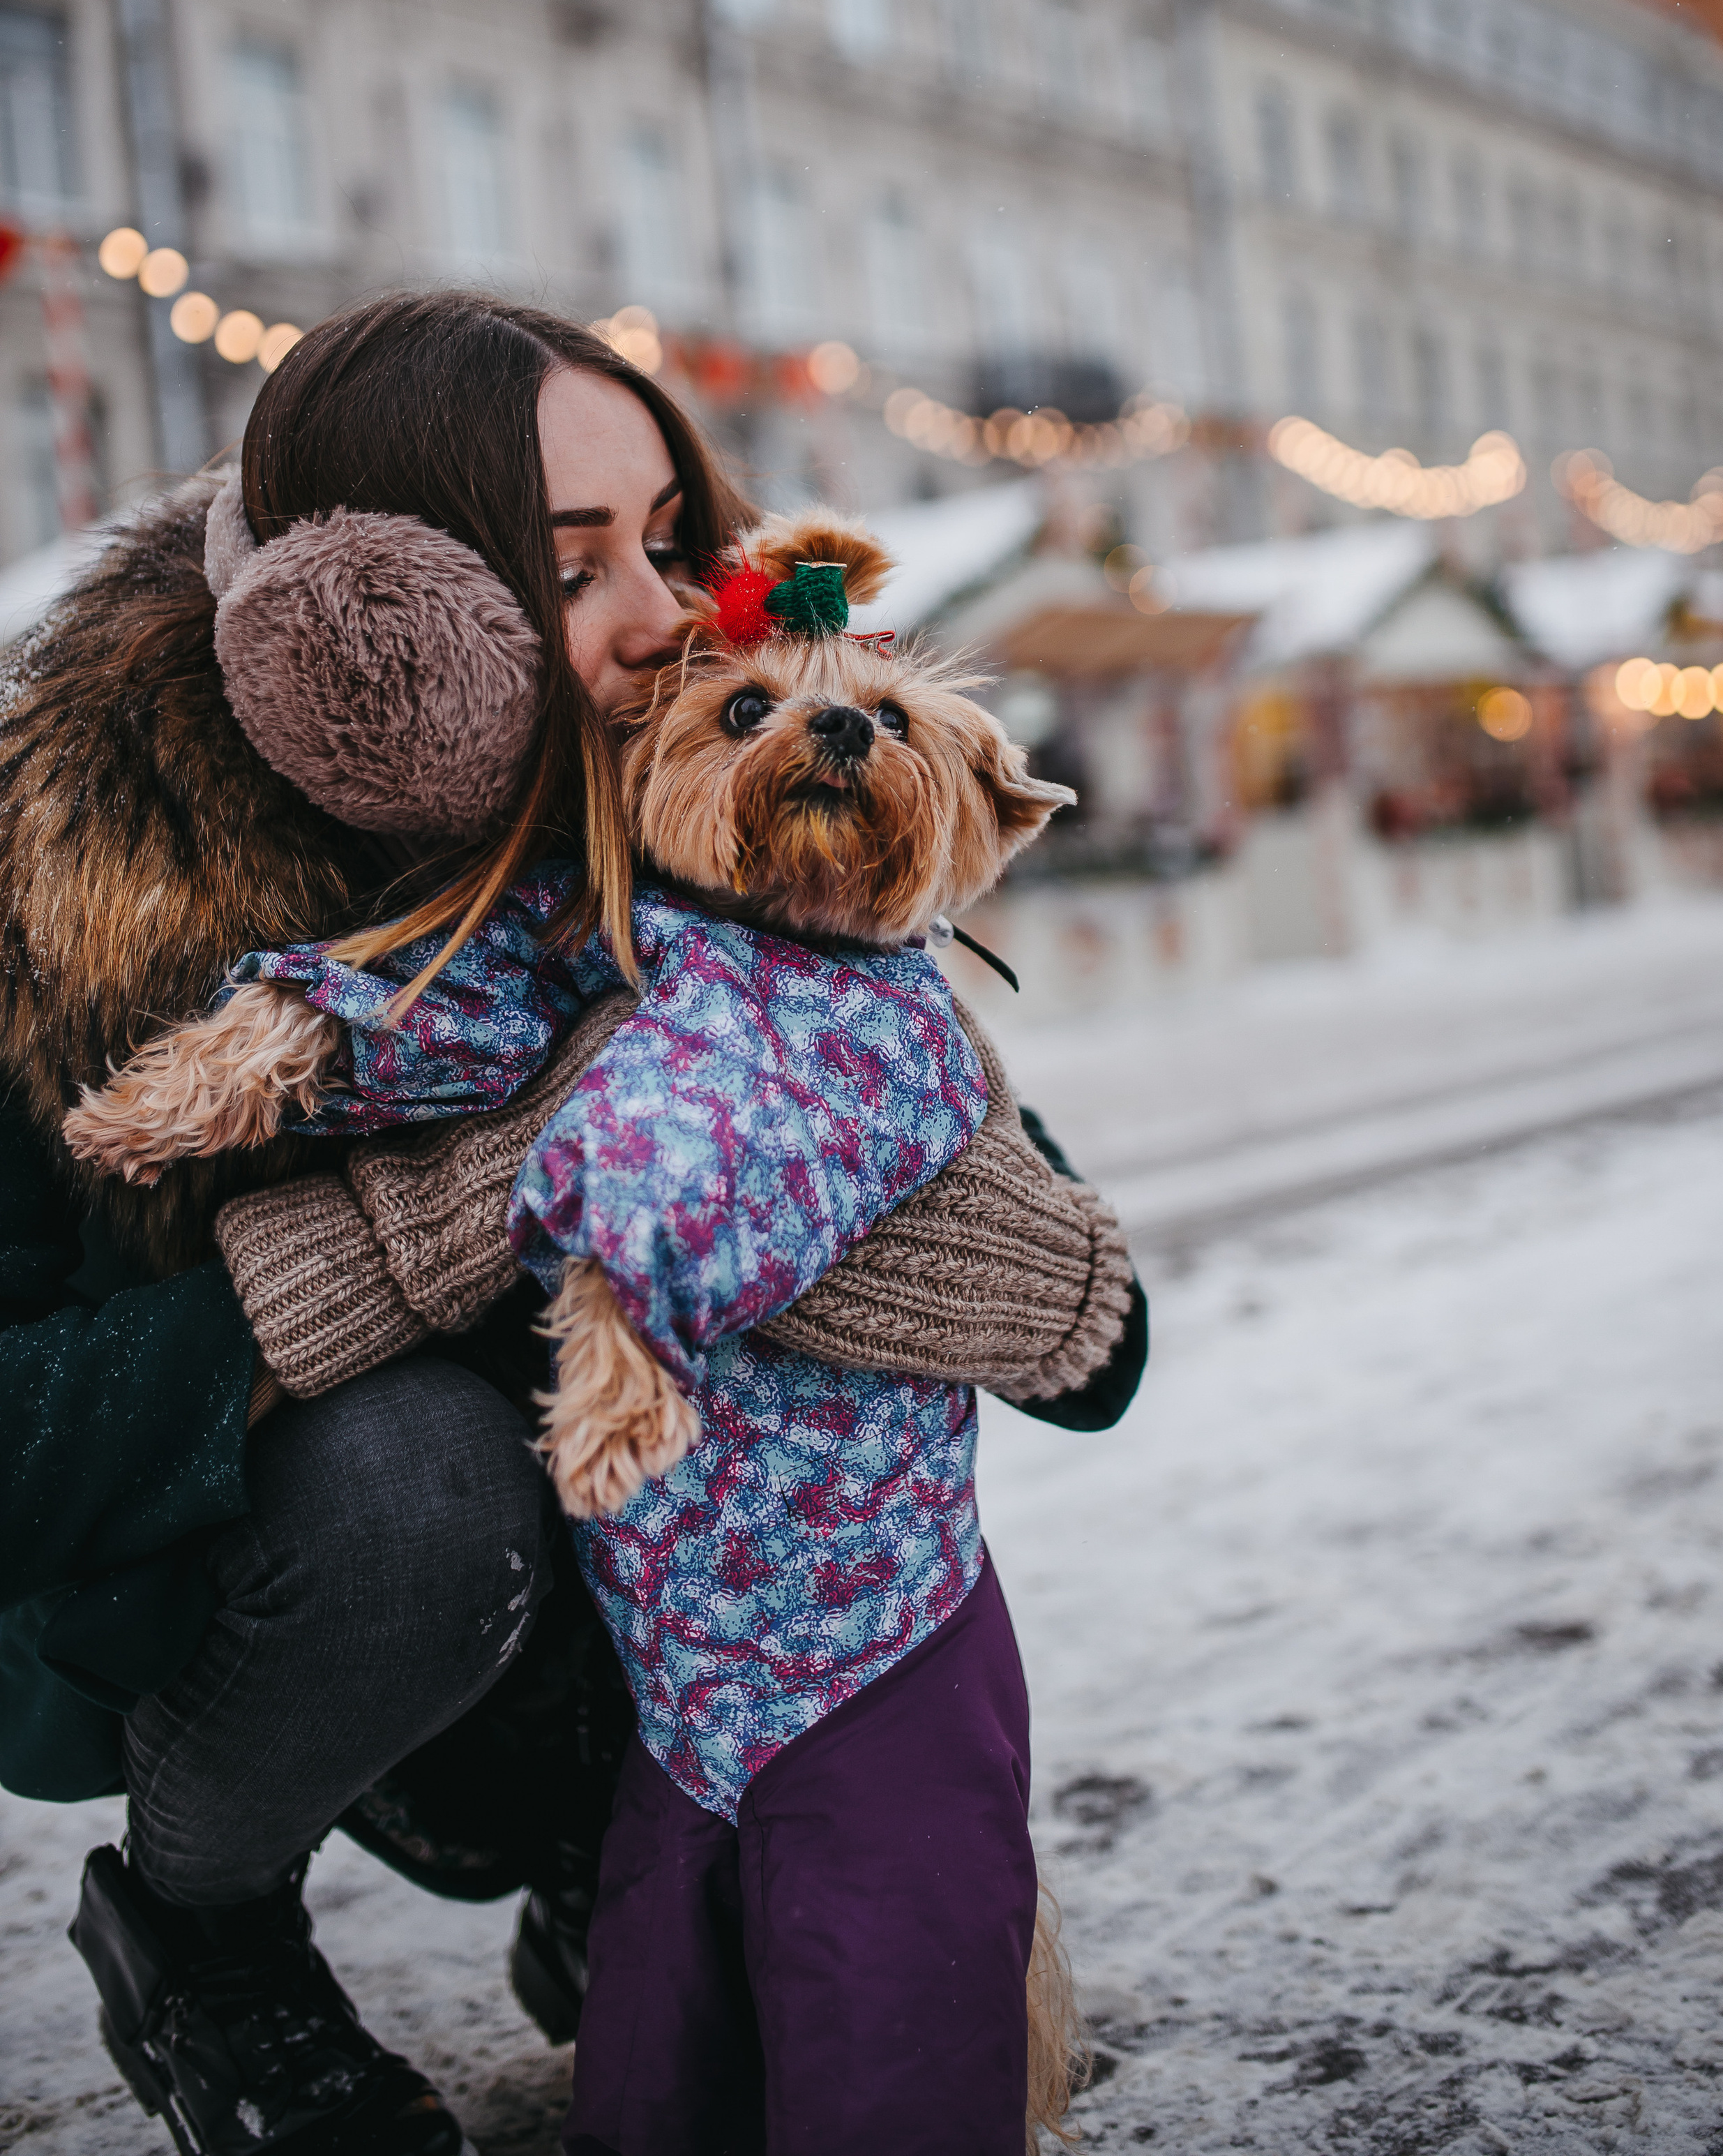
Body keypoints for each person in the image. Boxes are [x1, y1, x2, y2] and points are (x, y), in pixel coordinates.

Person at [0, 292, 1145, 2156]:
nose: (669, 619)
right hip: (232, 1600)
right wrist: (410, 1245)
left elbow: (1108, 1350)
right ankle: (208, 1938)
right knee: (425, 1468)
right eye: (570, 565)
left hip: (649, 1611)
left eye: (677, 545)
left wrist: (1003, 1261)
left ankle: (619, 1863)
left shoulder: (688, 811)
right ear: (372, 616)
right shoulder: (63, 877)